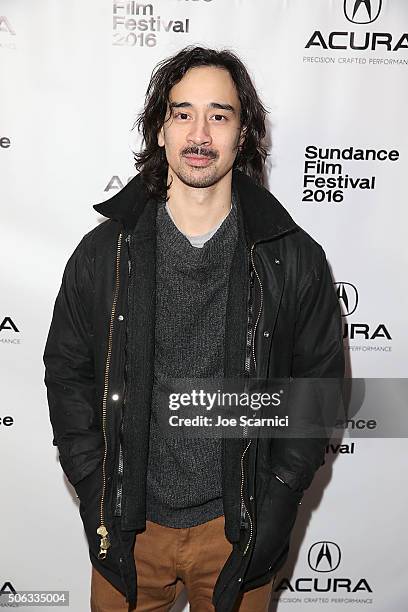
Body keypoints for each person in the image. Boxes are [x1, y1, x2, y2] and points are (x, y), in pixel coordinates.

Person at [43, 45, 344, 612]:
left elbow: (318, 387)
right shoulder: (103, 253)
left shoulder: (292, 257)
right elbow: (67, 371)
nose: (199, 133)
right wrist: (93, 484)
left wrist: (277, 499)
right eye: (182, 114)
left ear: (243, 135)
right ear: (160, 130)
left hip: (238, 529)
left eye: (219, 115)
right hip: (130, 531)